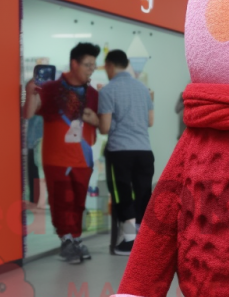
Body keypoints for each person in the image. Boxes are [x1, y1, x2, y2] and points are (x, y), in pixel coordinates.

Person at [24, 43, 100, 262]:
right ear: (74, 64)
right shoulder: (51, 89)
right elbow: (29, 114)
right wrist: (30, 92)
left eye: (93, 65)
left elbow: (100, 124)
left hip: (83, 158)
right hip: (56, 158)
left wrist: (93, 119)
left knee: (79, 202)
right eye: (87, 65)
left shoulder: (92, 94)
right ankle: (65, 239)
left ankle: (75, 238)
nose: (91, 69)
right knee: (61, 200)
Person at [98, 49, 155, 255]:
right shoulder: (143, 89)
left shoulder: (107, 91)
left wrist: (93, 118)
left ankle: (129, 240)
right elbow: (150, 121)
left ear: (110, 66)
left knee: (122, 193)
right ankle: (143, 240)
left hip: (120, 151)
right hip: (144, 150)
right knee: (143, 192)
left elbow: (104, 127)